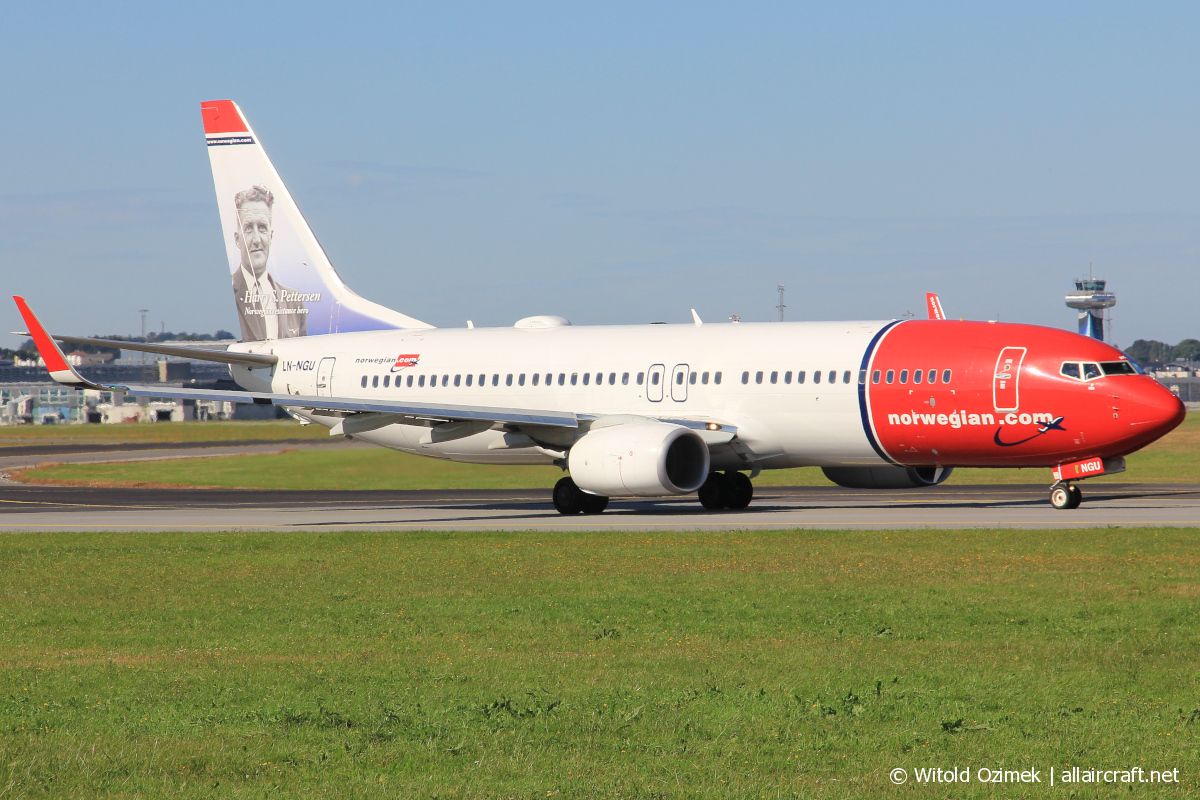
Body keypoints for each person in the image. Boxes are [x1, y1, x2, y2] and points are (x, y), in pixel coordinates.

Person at [230, 185, 308, 340]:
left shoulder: (294, 301)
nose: (257, 240)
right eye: (248, 229)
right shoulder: (229, 291)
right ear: (237, 239)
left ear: (271, 236)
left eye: (262, 228)